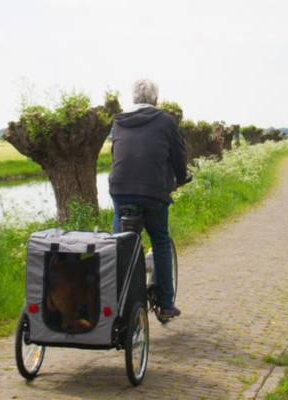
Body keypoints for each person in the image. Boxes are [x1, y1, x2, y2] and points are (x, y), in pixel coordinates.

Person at [109, 78, 189, 321]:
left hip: (120, 190)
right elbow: (177, 155)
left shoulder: (118, 121)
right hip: (153, 192)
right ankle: (165, 304)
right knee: (161, 241)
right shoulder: (165, 121)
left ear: (133, 99)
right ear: (156, 99)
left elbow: (116, 154)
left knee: (119, 245)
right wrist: (182, 176)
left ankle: (114, 301)